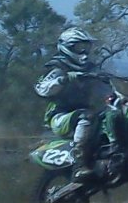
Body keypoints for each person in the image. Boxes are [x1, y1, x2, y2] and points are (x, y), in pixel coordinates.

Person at [34, 27, 112, 183]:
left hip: (82, 115)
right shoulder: (57, 67)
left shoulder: (90, 68)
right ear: (67, 47)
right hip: (58, 118)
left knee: (108, 116)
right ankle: (79, 165)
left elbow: (105, 91)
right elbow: (41, 89)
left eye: (86, 47)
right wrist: (63, 79)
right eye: (79, 47)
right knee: (87, 116)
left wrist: (117, 94)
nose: (83, 51)